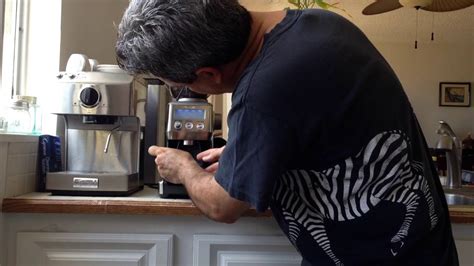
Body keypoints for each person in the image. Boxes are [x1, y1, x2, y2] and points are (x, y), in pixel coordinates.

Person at [115, 0, 458, 265]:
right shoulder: (318, 23)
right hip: (422, 248)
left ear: (209, 75)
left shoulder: (262, 92)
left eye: (176, 85)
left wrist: (184, 168)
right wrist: (248, 154)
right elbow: (318, 128)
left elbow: (222, 206)